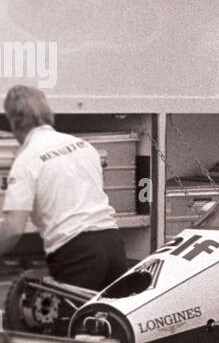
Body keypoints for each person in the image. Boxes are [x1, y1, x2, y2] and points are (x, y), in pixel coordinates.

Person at [0, 86, 130, 289]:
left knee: (67, 320)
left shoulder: (27, 160)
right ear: (47, 114)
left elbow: (13, 228)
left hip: (77, 256)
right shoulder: (84, 146)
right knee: (107, 318)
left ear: (15, 122)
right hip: (114, 246)